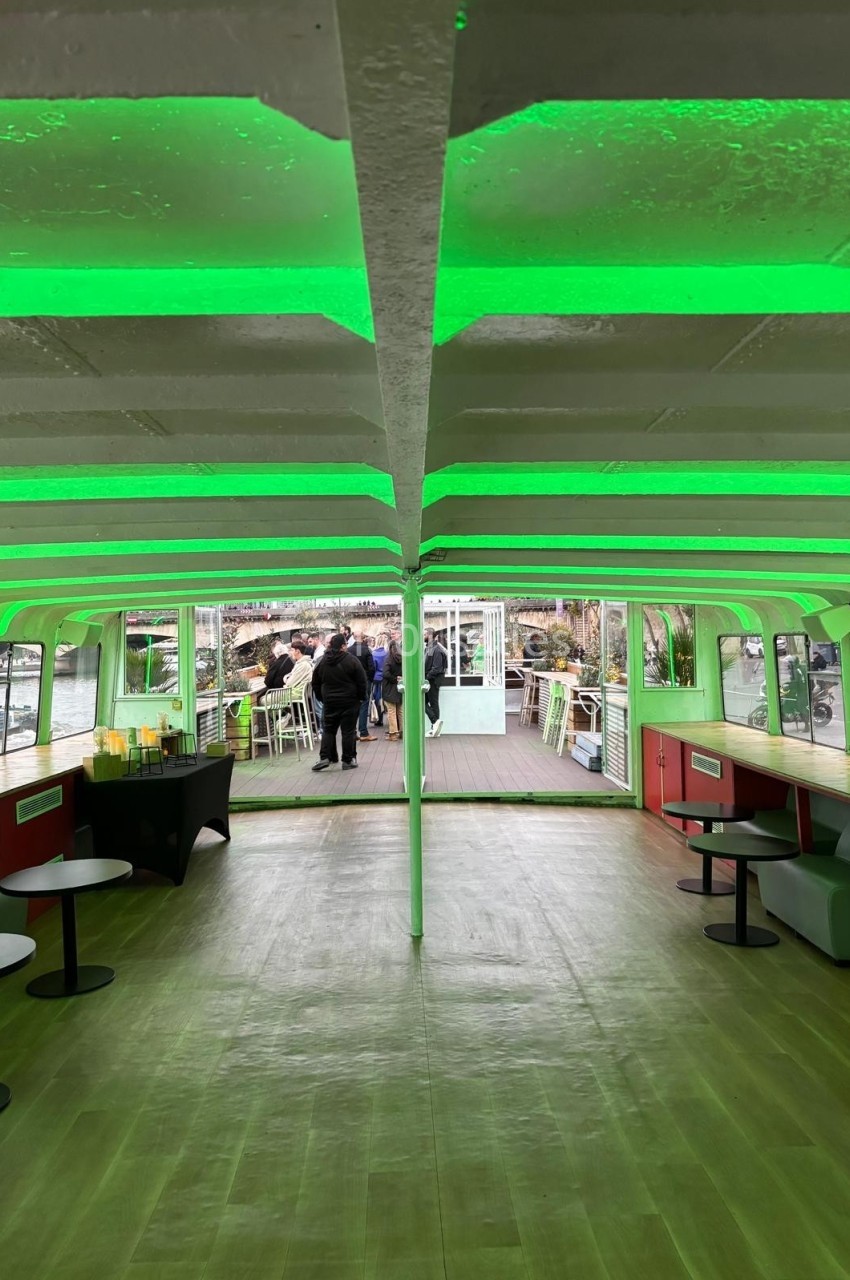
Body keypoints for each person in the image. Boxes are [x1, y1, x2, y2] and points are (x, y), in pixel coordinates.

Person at [311, 634, 367, 771]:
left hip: (330, 701)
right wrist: (361, 697)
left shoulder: (323, 661)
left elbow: (315, 682)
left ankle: (325, 757)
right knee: (348, 731)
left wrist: (322, 697)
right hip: (349, 701)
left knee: (328, 730)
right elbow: (362, 681)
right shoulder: (351, 660)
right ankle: (347, 760)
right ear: (343, 646)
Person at [349, 630, 377, 741]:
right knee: (364, 705)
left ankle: (353, 732)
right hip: (364, 681)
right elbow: (371, 667)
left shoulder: (349, 650)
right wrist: (370, 679)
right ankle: (363, 732)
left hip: (352, 682)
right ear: (363, 637)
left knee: (353, 706)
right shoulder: (366, 650)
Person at [424, 628, 448, 737]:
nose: (423, 636)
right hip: (430, 679)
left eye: (424, 634)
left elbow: (437, 668)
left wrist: (426, 677)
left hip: (433, 681)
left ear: (430, 635)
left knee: (433, 703)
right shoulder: (429, 648)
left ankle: (435, 724)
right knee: (425, 702)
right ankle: (435, 725)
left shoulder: (436, 650)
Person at [383, 638, 403, 740]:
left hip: (389, 688)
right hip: (400, 688)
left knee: (391, 711)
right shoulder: (403, 658)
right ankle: (402, 732)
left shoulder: (388, 659)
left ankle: (393, 734)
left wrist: (394, 679)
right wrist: (399, 678)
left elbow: (385, 673)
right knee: (400, 711)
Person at [371, 632, 388, 729]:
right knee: (384, 698)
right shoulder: (387, 653)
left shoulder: (374, 653)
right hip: (385, 677)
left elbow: (373, 667)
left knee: (376, 698)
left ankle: (377, 718)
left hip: (376, 677)